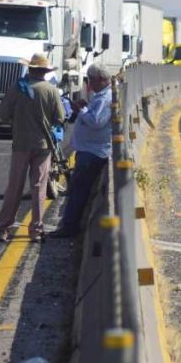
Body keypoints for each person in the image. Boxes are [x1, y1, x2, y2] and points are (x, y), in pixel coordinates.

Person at [0, 53, 65, 243]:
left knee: (14, 187)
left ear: (30, 69)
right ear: (45, 72)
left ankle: (2, 229)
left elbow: (3, 115)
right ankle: (36, 231)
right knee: (39, 187)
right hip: (43, 145)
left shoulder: (18, 88)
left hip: (21, 144)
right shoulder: (51, 90)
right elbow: (60, 118)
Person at [50, 64, 114, 238]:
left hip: (92, 152)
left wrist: (81, 109)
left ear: (101, 79)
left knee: (78, 190)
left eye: (90, 79)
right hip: (90, 149)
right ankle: (71, 226)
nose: (89, 83)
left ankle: (69, 228)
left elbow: (96, 122)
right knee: (77, 189)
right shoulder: (100, 96)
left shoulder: (104, 98)